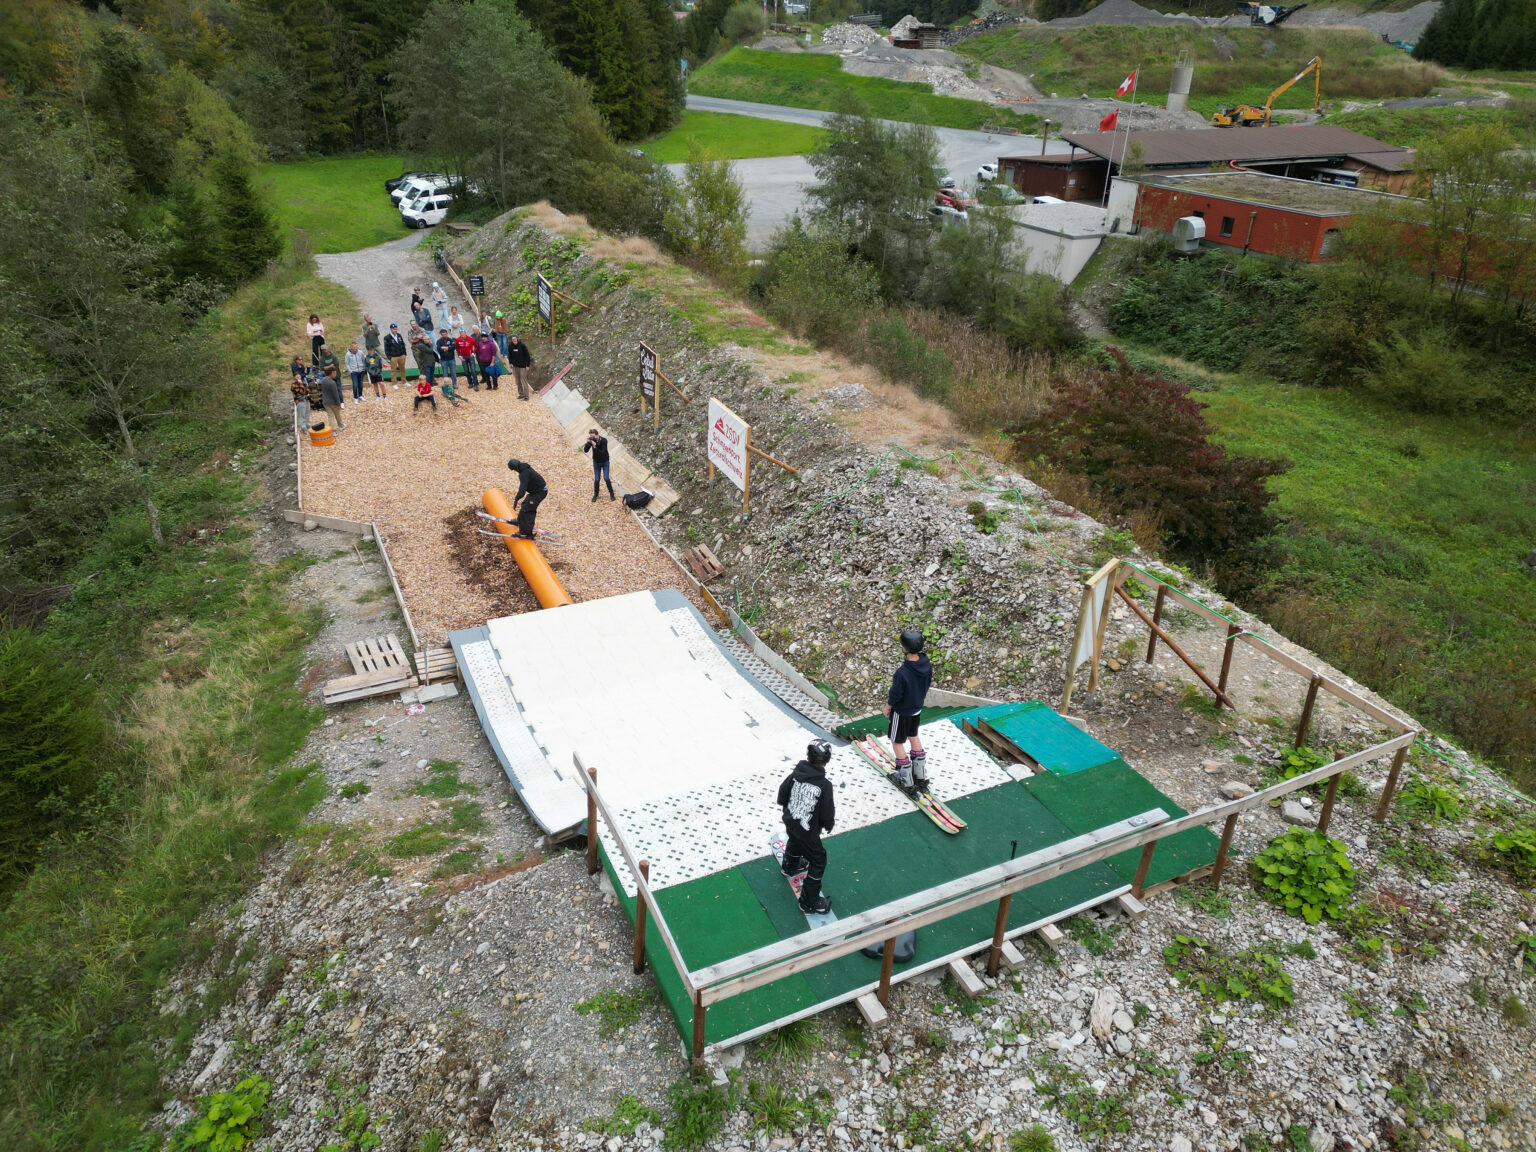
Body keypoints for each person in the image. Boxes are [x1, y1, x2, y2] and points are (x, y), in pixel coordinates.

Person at [778, 739, 835, 915]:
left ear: (808, 755)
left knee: (794, 840)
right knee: (818, 860)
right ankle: (809, 902)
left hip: (791, 820)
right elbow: (827, 810)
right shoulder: (824, 785)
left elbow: (782, 793)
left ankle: (790, 865)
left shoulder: (796, 774)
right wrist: (828, 824)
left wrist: (788, 809)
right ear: (827, 760)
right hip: (808, 831)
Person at [884, 629, 934, 791]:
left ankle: (905, 779)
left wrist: (888, 707)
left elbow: (896, 694)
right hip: (917, 709)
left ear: (904, 648)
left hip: (902, 712)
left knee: (896, 741)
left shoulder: (902, 673)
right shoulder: (926, 665)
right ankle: (920, 775)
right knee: (913, 735)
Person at [505, 458, 547, 539]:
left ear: (515, 468)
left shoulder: (524, 474)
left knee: (529, 510)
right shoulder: (525, 468)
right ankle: (520, 522)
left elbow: (522, 489)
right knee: (525, 505)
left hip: (539, 492)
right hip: (535, 492)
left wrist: (517, 498)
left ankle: (525, 533)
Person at [583, 428, 614, 502]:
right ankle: (596, 495)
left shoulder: (604, 441)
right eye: (591, 436)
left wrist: (594, 447)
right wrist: (588, 443)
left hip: (605, 461)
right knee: (597, 479)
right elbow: (585, 450)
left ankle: (612, 494)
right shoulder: (592, 441)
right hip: (596, 462)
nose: (592, 438)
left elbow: (602, 453)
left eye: (593, 436)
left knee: (606, 478)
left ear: (597, 435)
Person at [320, 363, 345, 431]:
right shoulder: (332, 382)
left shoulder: (323, 380)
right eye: (335, 373)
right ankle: (340, 425)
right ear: (332, 373)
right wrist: (338, 404)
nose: (335, 374)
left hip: (325, 401)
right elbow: (335, 394)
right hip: (333, 402)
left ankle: (333, 430)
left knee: (330, 416)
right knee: (337, 414)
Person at [507, 334, 532, 400]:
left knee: (524, 381)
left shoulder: (522, 345)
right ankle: (521, 394)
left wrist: (527, 365)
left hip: (522, 366)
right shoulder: (510, 346)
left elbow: (527, 356)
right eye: (512, 339)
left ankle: (526, 396)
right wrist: (510, 363)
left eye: (515, 339)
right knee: (518, 381)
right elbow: (510, 355)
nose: (514, 340)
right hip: (515, 366)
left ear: (517, 339)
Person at [383, 324, 408, 389]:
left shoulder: (399, 335)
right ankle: (394, 383)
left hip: (401, 355)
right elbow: (386, 348)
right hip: (393, 357)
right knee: (393, 370)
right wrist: (389, 357)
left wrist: (404, 354)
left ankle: (404, 381)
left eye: (396, 329)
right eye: (394, 329)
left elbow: (403, 344)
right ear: (391, 329)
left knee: (402, 369)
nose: (395, 330)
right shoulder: (387, 337)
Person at [291, 359, 312, 430]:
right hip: (300, 401)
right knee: (301, 415)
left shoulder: (304, 383)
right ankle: (303, 427)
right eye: (297, 377)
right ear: (294, 378)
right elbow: (300, 392)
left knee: (307, 413)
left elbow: (308, 390)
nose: (298, 378)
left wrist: (303, 386)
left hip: (306, 399)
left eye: (299, 377)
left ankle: (307, 424)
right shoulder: (293, 385)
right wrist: (301, 385)